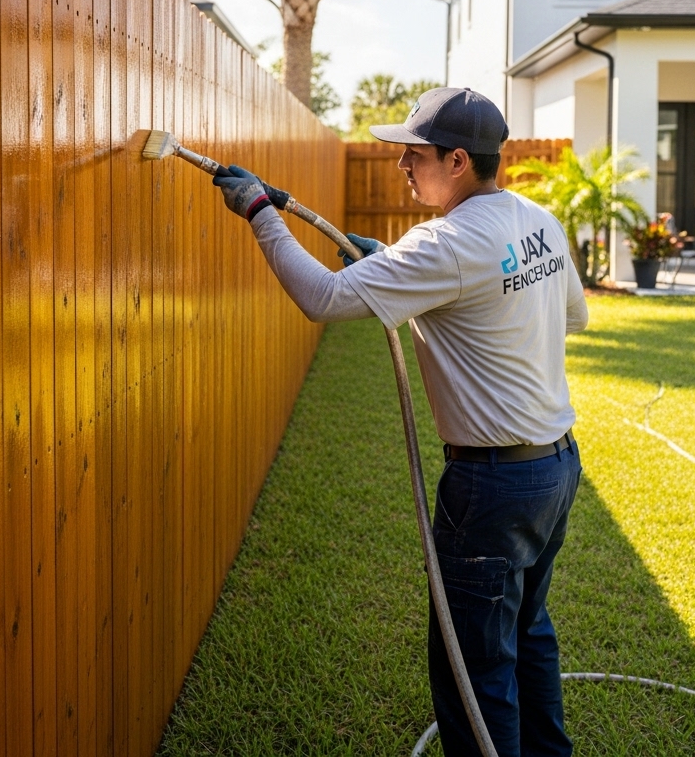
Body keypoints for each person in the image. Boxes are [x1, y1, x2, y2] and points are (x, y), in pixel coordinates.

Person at [212, 87, 588, 757]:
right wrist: (392, 261)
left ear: (457, 161)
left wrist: (261, 215)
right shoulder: (537, 221)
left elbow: (322, 298)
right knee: (528, 632)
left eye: (413, 156)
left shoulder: (447, 240)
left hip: (494, 488)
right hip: (556, 468)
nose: (402, 168)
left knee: (474, 667)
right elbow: (565, 315)